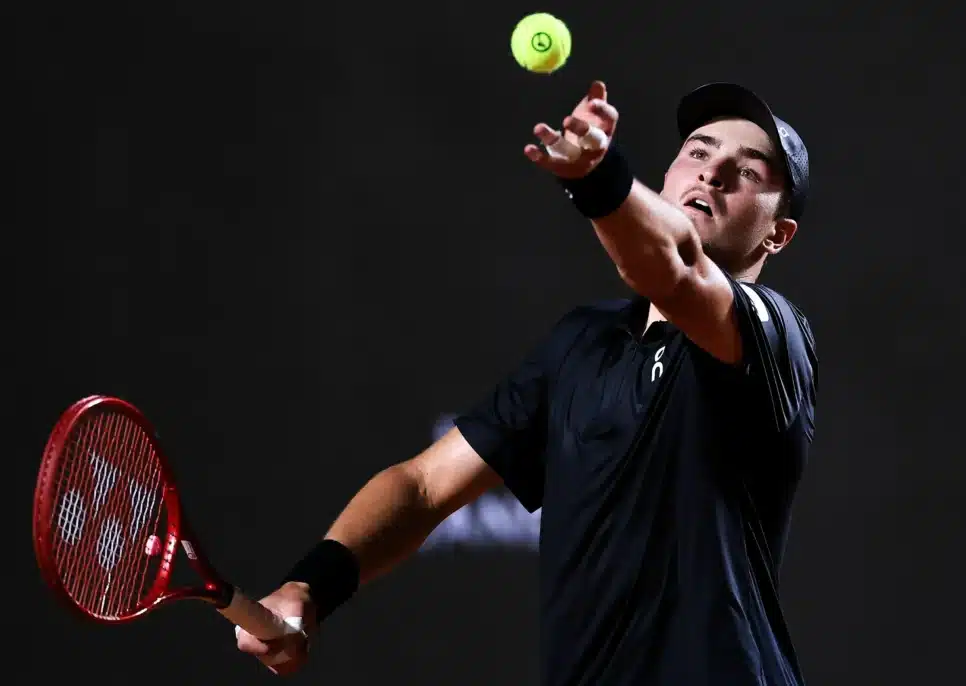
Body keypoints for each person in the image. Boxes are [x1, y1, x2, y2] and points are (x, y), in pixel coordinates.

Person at [235, 81, 818, 685]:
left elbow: (677, 270)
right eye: (698, 152)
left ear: (777, 234)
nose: (712, 173)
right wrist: (311, 587)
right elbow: (425, 486)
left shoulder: (776, 336)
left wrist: (597, 177)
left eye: (747, 172)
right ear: (668, 176)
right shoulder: (583, 343)